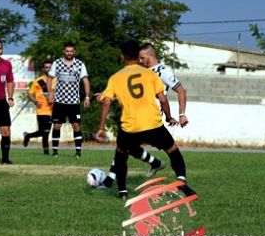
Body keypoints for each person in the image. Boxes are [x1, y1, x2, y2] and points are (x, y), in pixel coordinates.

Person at [96, 39, 189, 199]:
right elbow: (163, 99)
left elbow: (107, 101)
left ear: (122, 56)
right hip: (153, 123)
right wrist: (169, 117)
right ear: (137, 56)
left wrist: (101, 128)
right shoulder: (150, 74)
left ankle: (122, 191)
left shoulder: (117, 77)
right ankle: (180, 180)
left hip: (131, 125)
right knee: (173, 151)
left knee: (120, 154)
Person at [48, 42, 91, 158]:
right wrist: (50, 94)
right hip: (59, 101)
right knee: (57, 125)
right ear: (64, 51)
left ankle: (78, 152)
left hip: (74, 101)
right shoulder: (57, 63)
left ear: (74, 52)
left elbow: (85, 80)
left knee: (76, 125)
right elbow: (50, 78)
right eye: (67, 51)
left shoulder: (80, 64)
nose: (69, 53)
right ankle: (55, 152)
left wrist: (87, 97)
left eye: (71, 51)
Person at [23, 59, 55, 154]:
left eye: (50, 67)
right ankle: (28, 136)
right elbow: (29, 94)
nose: (48, 69)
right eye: (46, 67)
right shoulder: (39, 81)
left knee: (46, 133)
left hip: (53, 110)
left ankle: (45, 152)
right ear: (43, 69)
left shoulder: (56, 80)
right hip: (42, 110)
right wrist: (35, 102)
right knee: (44, 131)